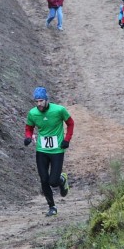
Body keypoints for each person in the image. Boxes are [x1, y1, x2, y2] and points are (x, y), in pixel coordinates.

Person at [24, 86, 74, 217]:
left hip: (57, 150)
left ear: (46, 100)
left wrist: (67, 139)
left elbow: (71, 123)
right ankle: (52, 207)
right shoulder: (33, 113)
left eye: (41, 101)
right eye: (37, 101)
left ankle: (62, 179)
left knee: (53, 181)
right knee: (44, 180)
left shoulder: (59, 110)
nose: (39, 104)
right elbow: (29, 128)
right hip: (41, 151)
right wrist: (28, 137)